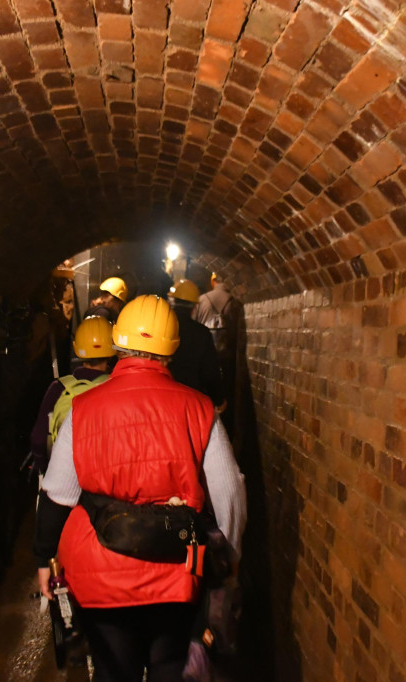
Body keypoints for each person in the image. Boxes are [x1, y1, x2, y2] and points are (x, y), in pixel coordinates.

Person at [34, 295, 247, 682]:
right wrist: (229, 554)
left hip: (99, 572)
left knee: (115, 671)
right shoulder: (199, 408)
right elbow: (229, 489)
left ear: (117, 342)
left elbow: (58, 494)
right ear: (172, 350)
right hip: (176, 570)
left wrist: (44, 558)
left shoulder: (84, 408)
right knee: (170, 665)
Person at [26, 316, 114, 478]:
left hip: (64, 475)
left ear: (76, 347)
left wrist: (46, 469)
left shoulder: (59, 388)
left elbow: (39, 438)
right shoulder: (117, 388)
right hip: (103, 479)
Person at [192, 273, 243, 440]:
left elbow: (195, 326)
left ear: (213, 281)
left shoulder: (202, 300)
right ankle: (225, 430)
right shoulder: (234, 302)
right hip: (227, 356)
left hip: (205, 355)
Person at [166, 279, 227, 412]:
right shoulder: (201, 333)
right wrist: (219, 400)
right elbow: (210, 373)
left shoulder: (160, 328)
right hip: (191, 401)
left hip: (161, 398)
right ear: (194, 307)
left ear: (171, 302)